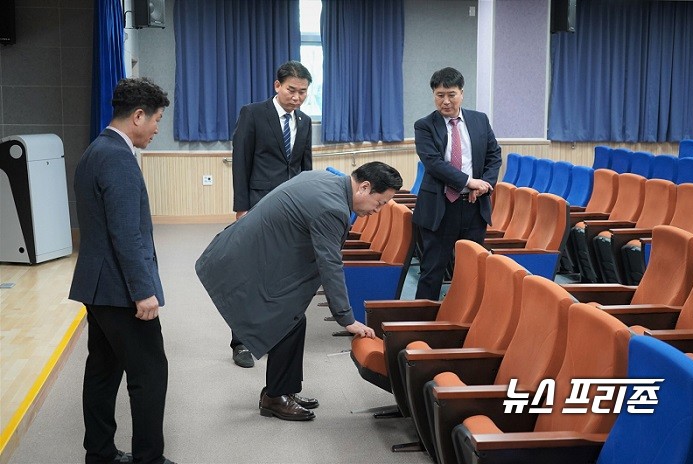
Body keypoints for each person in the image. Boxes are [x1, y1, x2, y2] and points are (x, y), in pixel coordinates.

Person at [195, 162, 403, 421]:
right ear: (364, 187)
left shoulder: (326, 181)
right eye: (380, 202)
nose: (378, 210)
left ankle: (282, 391)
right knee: (286, 319)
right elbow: (330, 265)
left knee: (292, 319)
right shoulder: (333, 207)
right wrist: (346, 318)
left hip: (260, 253)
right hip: (246, 258)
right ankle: (275, 397)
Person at [69, 77, 176, 464]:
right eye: (157, 119)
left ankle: (99, 453)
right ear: (138, 115)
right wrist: (143, 291)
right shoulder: (117, 157)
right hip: (120, 291)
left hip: (97, 288)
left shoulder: (95, 150)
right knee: (150, 374)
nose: (157, 128)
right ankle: (149, 458)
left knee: (102, 370)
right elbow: (127, 234)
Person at [229, 60, 314, 368]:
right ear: (277, 86)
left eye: (303, 93)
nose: (297, 97)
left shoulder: (304, 121)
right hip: (259, 204)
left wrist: (309, 204)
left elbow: (306, 168)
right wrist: (241, 208)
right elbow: (241, 161)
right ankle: (241, 342)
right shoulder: (253, 114)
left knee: (285, 273)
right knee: (252, 274)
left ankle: (275, 333)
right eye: (292, 90)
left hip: (293, 209)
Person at [412, 67, 502, 300]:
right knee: (432, 271)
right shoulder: (424, 126)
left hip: (474, 208)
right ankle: (422, 324)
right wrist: (469, 182)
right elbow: (433, 164)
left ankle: (468, 321)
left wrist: (484, 186)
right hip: (440, 208)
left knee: (473, 270)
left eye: (451, 94)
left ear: (462, 93)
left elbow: (494, 156)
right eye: (440, 95)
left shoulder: (480, 120)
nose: (445, 101)